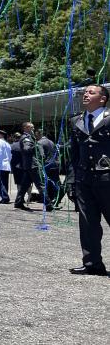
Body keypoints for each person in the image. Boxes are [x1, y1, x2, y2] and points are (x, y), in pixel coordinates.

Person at [68, 85, 110, 276]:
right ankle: (92, 263)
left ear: (103, 99)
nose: (86, 94)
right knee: (88, 223)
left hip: (107, 178)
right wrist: (71, 181)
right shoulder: (76, 120)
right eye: (84, 92)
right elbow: (73, 155)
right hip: (84, 180)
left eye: (91, 92)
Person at [14, 122, 37, 210]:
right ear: (26, 128)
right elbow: (27, 149)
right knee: (40, 185)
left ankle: (18, 202)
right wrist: (35, 146)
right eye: (31, 128)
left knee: (24, 186)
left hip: (28, 165)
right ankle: (48, 204)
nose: (33, 129)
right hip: (30, 165)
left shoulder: (29, 137)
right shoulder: (26, 138)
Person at [37, 129, 59, 211]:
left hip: (47, 165)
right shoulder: (51, 142)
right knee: (53, 183)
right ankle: (54, 200)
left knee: (44, 183)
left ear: (39, 134)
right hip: (55, 164)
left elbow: (41, 155)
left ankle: (48, 201)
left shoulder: (40, 142)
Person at [0, 129, 12, 204]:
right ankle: (5, 196)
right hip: (6, 165)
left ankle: (4, 197)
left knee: (1, 182)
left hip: (0, 165)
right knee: (5, 182)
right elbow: (10, 156)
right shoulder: (7, 144)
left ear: (0, 135)